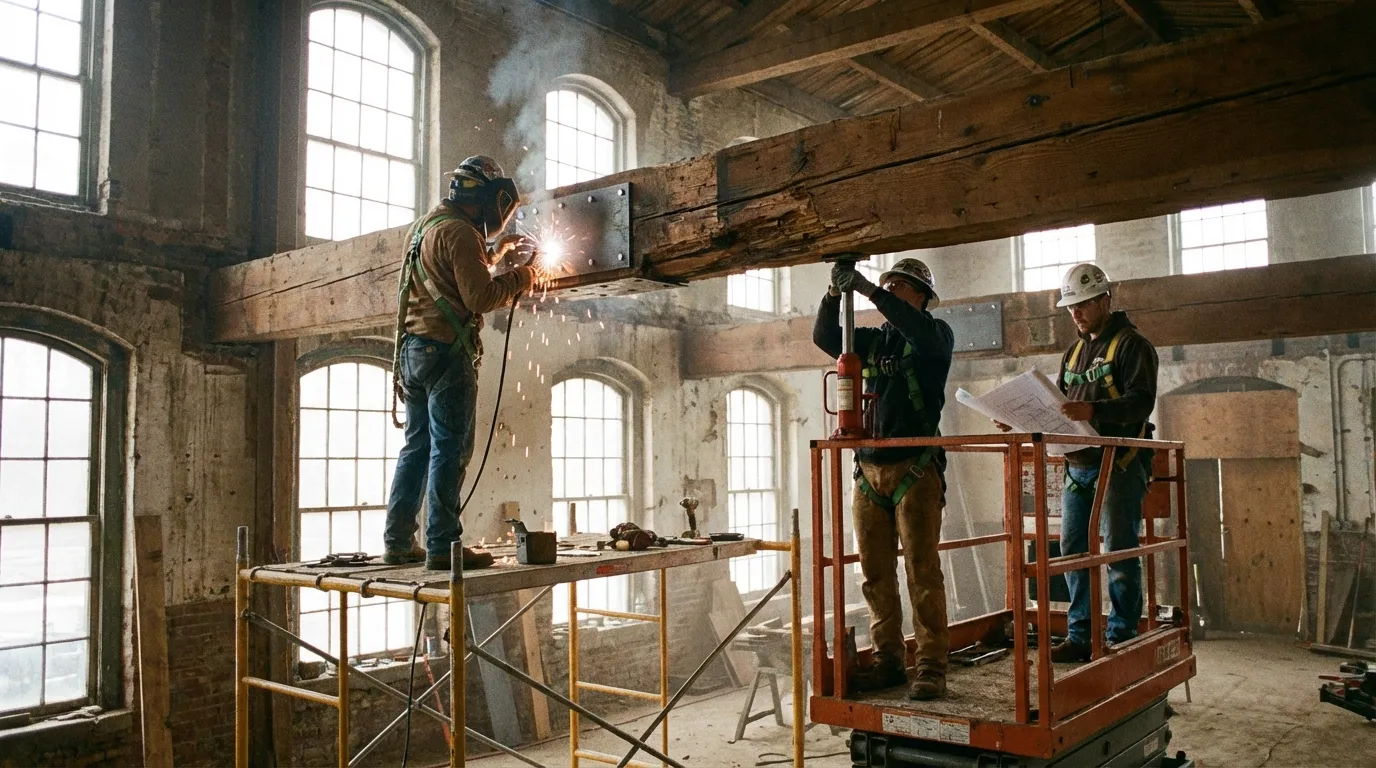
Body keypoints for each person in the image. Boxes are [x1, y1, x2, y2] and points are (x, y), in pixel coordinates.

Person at [383, 156, 543, 572]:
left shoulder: (426, 226)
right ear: (490, 199)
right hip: (446, 354)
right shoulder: (461, 233)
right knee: (449, 450)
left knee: (416, 448)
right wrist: (523, 278)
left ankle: (398, 541)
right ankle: (443, 546)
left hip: (414, 353)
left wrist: (494, 253)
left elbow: (448, 270)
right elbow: (480, 298)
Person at [997, 263, 1158, 662]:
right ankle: (1081, 634)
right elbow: (1057, 406)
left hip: (1120, 465)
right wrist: (1018, 420)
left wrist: (1094, 410)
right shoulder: (1074, 353)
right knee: (1072, 550)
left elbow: (1141, 402)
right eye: (1071, 307)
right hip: (1078, 467)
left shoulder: (1133, 346)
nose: (1076, 313)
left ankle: (1120, 636)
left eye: (1083, 304)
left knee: (1118, 550)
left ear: (1105, 300)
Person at [813, 257, 955, 700]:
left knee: (921, 570)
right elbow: (825, 337)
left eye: (900, 286)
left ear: (922, 297)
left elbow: (917, 332)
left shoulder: (935, 335)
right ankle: (888, 660)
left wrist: (870, 290)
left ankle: (930, 665)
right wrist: (834, 294)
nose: (890, 289)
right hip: (868, 471)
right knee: (874, 574)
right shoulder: (872, 341)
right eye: (888, 283)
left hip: (915, 468)